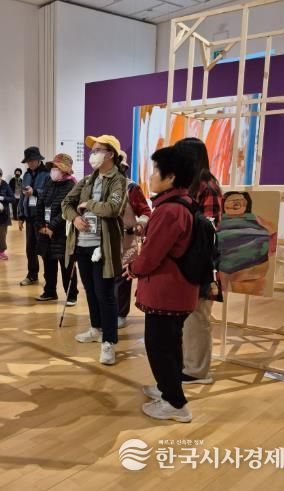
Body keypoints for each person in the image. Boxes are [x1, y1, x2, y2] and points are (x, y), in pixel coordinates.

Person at [124, 144, 198, 423]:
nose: (152, 175)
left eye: (156, 170)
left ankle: (175, 404)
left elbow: (151, 256)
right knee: (170, 344)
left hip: (167, 291)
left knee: (160, 347)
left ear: (171, 176)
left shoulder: (169, 211)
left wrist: (133, 268)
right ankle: (167, 387)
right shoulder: (182, 204)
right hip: (177, 290)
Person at [62, 135, 127, 365]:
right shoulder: (88, 180)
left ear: (110, 154)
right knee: (90, 290)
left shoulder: (118, 180)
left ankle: (109, 341)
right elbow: (66, 203)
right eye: (93, 150)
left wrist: (88, 204)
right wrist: (75, 218)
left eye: (98, 150)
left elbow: (112, 208)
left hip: (103, 247)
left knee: (105, 294)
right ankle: (95, 328)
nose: (93, 154)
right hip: (82, 245)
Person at [175, 137, 223, 385]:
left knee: (198, 316)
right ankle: (188, 364)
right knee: (187, 316)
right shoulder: (190, 185)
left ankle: (197, 371)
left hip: (201, 262)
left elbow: (208, 229)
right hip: (187, 260)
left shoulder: (208, 187)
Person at [35, 153, 79, 304]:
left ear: (65, 169)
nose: (53, 170)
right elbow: (40, 203)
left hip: (62, 233)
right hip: (45, 231)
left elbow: (68, 210)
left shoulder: (71, 185)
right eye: (53, 167)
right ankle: (50, 291)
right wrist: (40, 225)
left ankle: (71, 295)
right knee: (48, 264)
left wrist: (52, 226)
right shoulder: (49, 182)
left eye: (56, 167)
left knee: (66, 265)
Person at [115, 152, 151, 328]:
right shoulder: (98, 186)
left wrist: (140, 225)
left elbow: (146, 212)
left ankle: (120, 314)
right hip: (102, 240)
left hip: (126, 239)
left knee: (122, 278)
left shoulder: (131, 188)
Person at [18, 146, 50, 286]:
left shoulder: (47, 174)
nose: (30, 163)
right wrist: (20, 216)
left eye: (32, 160)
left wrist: (35, 192)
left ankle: (49, 278)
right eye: (28, 161)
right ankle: (32, 275)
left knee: (43, 248)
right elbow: (22, 196)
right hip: (29, 217)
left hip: (41, 218)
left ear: (38, 160)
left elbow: (49, 193)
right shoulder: (26, 175)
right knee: (30, 248)